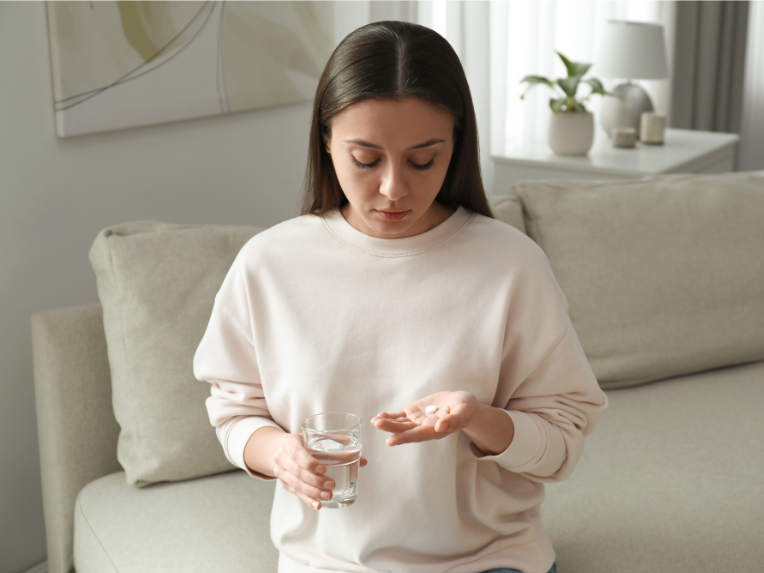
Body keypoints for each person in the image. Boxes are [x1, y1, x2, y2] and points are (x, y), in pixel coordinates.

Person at [193, 20, 608, 573]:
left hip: (487, 561)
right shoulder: (269, 265)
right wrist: (278, 453)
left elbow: (560, 447)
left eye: (422, 160)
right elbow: (234, 412)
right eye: (365, 159)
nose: (393, 189)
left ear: (456, 146)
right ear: (326, 141)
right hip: (329, 564)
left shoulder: (510, 265)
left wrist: (479, 420)